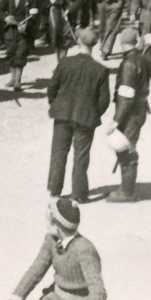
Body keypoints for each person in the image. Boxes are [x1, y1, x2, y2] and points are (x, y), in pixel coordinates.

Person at [46, 28, 111, 203]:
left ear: (78, 42)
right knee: (81, 155)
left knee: (58, 152)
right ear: (94, 45)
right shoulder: (101, 69)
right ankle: (79, 194)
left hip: (62, 114)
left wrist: (57, 106)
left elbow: (52, 89)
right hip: (86, 117)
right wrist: (92, 112)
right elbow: (104, 100)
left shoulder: (65, 63)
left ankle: (54, 190)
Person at [105, 29, 151, 202]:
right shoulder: (142, 58)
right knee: (129, 147)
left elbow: (126, 95)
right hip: (140, 109)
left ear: (122, 42)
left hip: (131, 112)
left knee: (126, 149)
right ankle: (126, 188)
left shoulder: (129, 63)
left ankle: (127, 192)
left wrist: (116, 121)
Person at [2, 0, 39, 92]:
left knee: (21, 53)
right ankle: (12, 78)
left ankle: (18, 81)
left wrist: (26, 25)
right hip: (10, 29)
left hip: (24, 30)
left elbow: (35, 15)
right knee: (10, 53)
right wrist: (5, 17)